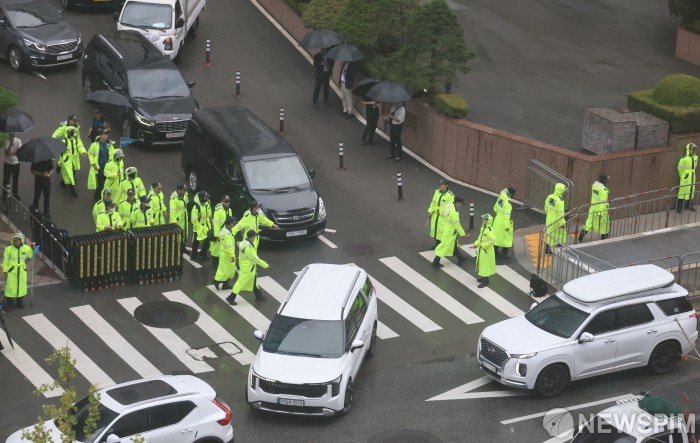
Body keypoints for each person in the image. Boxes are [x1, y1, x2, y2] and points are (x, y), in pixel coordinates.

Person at [227, 230, 269, 305]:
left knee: (254, 281)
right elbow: (254, 259)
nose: (255, 237)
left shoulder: (244, 243)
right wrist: (265, 265)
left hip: (248, 267)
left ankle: (259, 296)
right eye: (255, 236)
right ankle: (231, 298)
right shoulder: (248, 247)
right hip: (248, 268)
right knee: (240, 283)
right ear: (252, 237)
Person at [432, 197, 470, 267]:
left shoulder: (449, 205)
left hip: (447, 228)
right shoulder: (454, 212)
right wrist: (463, 234)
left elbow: (441, 211)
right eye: (461, 203)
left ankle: (460, 258)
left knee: (453, 244)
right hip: (450, 231)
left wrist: (439, 212)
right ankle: (436, 261)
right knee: (445, 245)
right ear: (458, 202)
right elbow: (457, 224)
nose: (461, 205)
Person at [3, 233, 34, 310]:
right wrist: (5, 271)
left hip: (22, 271)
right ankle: (9, 303)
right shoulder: (8, 249)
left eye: (18, 240)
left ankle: (19, 301)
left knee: (21, 286)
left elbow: (30, 255)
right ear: (12, 241)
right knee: (10, 287)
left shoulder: (26, 248)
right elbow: (5, 261)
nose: (16, 242)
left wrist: (32, 248)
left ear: (21, 241)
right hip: (12, 271)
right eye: (15, 240)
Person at [578, 173, 610, 242]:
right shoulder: (603, 190)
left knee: (588, 224)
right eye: (606, 179)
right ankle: (603, 241)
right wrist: (601, 214)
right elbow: (603, 203)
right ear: (604, 180)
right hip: (601, 210)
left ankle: (580, 237)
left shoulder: (594, 185)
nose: (607, 180)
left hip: (593, 207)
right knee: (605, 226)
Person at [426, 178, 455, 250]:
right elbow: (433, 203)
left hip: (444, 218)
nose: (440, 185)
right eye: (440, 184)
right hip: (435, 216)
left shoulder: (450, 195)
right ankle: (437, 244)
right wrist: (430, 211)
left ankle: (442, 246)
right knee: (435, 230)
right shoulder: (437, 192)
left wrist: (441, 212)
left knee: (442, 232)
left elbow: (450, 208)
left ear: (446, 185)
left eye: (442, 184)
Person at [88, 128, 116, 200]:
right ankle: (97, 197)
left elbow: (113, 155)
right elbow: (90, 154)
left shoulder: (109, 144)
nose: (106, 136)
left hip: (107, 168)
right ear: (100, 135)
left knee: (106, 183)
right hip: (99, 168)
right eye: (105, 135)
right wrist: (93, 163)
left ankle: (102, 197)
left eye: (107, 135)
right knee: (100, 184)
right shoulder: (94, 145)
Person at [471, 214, 496, 289]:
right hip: (482, 250)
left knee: (485, 265)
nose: (483, 220)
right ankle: (484, 278)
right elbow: (480, 238)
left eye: (484, 219)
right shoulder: (483, 228)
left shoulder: (489, 230)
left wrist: (484, 245)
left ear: (488, 221)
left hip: (486, 251)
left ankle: (485, 281)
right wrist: (476, 244)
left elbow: (492, 240)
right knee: (481, 264)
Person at [214, 216, 237, 290]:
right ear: (230, 224)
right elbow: (229, 247)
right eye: (233, 223)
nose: (234, 225)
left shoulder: (224, 230)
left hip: (224, 253)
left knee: (225, 269)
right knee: (225, 270)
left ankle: (225, 284)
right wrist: (232, 256)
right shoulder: (227, 234)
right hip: (227, 254)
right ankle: (217, 281)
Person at [493, 187, 515, 260]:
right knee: (507, 238)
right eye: (514, 194)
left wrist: (500, 215)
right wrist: (507, 226)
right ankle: (504, 253)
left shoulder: (500, 199)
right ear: (511, 194)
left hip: (497, 220)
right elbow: (507, 216)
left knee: (496, 237)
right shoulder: (507, 203)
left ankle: (495, 253)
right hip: (504, 223)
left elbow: (495, 208)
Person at [544, 183, 567, 254]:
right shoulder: (560, 201)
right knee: (561, 234)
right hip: (557, 220)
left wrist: (549, 213)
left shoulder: (550, 196)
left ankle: (547, 251)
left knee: (550, 233)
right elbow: (561, 215)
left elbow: (546, 208)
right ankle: (559, 250)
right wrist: (563, 224)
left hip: (549, 217)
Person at [211, 195, 233, 269]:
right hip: (220, 232)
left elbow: (230, 222)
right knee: (216, 249)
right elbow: (216, 223)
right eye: (226, 201)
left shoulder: (229, 210)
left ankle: (222, 263)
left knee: (224, 248)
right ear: (222, 202)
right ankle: (215, 264)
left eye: (228, 201)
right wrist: (216, 235)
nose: (227, 203)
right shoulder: (218, 211)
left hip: (225, 232)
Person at [190, 190, 212, 261]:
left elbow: (209, 212)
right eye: (205, 197)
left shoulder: (207, 203)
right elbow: (194, 220)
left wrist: (211, 220)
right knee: (196, 242)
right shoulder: (196, 207)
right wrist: (200, 228)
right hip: (198, 227)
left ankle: (203, 253)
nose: (207, 198)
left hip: (206, 225)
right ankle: (193, 256)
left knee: (207, 241)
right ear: (201, 198)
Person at [677, 142, 698, 213]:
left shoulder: (696, 157)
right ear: (689, 149)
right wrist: (683, 176)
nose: (694, 151)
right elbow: (680, 168)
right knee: (682, 191)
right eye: (693, 149)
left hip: (692, 176)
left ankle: (689, 205)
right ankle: (679, 207)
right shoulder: (684, 158)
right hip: (686, 176)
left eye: (695, 149)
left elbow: (694, 166)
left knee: (691, 190)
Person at [3, 132, 21, 201]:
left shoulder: (18, 141)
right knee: (6, 180)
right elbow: (7, 153)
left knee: (15, 179)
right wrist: (10, 145)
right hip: (7, 164)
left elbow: (19, 151)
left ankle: (15, 194)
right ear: (8, 135)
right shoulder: (5, 142)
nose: (12, 136)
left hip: (16, 163)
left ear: (14, 135)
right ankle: (4, 195)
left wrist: (11, 153)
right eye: (10, 135)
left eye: (13, 134)